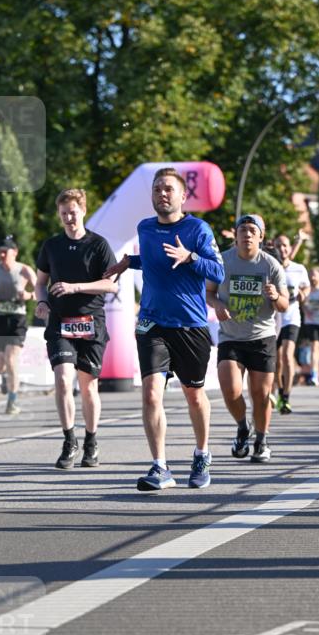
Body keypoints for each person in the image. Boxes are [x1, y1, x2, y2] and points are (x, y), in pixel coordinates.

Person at [107, 167, 224, 490]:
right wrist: (127, 262)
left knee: (194, 396)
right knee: (150, 395)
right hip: (152, 323)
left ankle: (201, 453)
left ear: (183, 196)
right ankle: (160, 466)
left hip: (190, 325)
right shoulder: (145, 228)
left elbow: (219, 271)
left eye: (168, 189)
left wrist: (190, 258)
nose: (162, 193)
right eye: (157, 188)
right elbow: (153, 258)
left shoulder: (198, 229)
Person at [35, 188, 118, 470]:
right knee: (61, 379)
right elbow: (39, 282)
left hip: (91, 323)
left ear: (83, 211)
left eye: (73, 212)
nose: (69, 218)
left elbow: (111, 284)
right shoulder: (51, 246)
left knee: (88, 387)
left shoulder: (98, 245)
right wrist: (43, 302)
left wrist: (75, 287)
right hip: (60, 321)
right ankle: (69, 441)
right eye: (63, 214)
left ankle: (91, 441)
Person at [207, 214, 288, 463]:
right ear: (236, 234)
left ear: (261, 236)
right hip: (231, 337)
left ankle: (261, 440)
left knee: (260, 395)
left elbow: (284, 305)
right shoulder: (222, 261)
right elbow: (209, 292)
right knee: (230, 390)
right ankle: (243, 427)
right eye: (243, 230)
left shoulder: (271, 265)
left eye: (253, 230)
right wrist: (217, 305)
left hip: (262, 337)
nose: (247, 234)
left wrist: (275, 296)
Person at [0, 236, 36, 415]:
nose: (2, 255)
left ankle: (12, 401)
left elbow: (39, 291)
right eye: (0, 252)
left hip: (17, 318)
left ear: (15, 252)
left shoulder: (25, 270)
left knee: (11, 359)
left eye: (6, 251)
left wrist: (28, 296)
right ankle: (5, 377)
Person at [272, 233, 310, 413]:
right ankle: (280, 392)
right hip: (273, 319)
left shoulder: (299, 268)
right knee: (277, 361)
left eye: (285, 245)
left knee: (287, 355)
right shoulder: (270, 266)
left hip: (292, 316)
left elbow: (306, 286)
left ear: (289, 247)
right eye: (279, 245)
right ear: (274, 247)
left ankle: (286, 397)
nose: (283, 249)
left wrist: (304, 293)